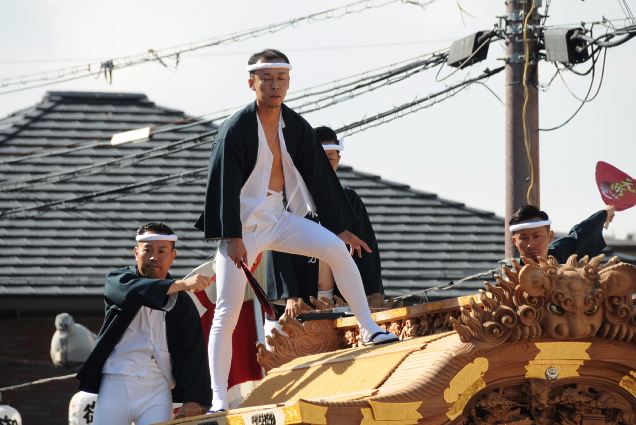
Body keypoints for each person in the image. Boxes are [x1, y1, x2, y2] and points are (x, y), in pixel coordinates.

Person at [194, 48, 398, 412]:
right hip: (243, 228)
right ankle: (219, 397)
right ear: (252, 83)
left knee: (335, 249)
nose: (275, 85)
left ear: (288, 82)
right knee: (227, 312)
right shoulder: (235, 129)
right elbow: (221, 184)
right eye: (267, 78)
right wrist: (233, 238)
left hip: (278, 217)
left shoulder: (295, 125)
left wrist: (339, 228)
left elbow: (319, 176)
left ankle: (369, 328)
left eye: (281, 78)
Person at [76, 222, 212, 425]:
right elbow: (134, 292)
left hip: (158, 386)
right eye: (147, 250)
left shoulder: (182, 301)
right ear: (136, 253)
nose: (154, 257)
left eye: (162, 251)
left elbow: (193, 350)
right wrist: (183, 284)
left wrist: (194, 398)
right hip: (116, 380)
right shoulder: (118, 281)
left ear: (173, 256)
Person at [265, 126, 383, 321]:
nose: (324, 165)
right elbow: (277, 249)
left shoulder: (349, 199)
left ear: (338, 160)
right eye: (318, 158)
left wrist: (374, 292)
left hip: (341, 300)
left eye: (329, 158)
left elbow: (366, 246)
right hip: (298, 301)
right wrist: (290, 296)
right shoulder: (288, 199)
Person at [509, 204, 616, 264]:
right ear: (515, 241)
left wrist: (606, 212)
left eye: (536, 236)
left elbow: (585, 231)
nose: (530, 245)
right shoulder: (509, 274)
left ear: (550, 236)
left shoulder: (560, 254)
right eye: (524, 238)